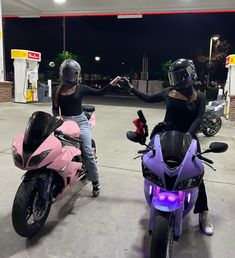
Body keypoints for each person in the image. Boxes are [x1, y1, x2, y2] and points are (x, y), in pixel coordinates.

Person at [120, 58, 214, 236]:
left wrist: (189, 134)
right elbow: (148, 99)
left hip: (188, 136)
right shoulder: (169, 92)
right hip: (165, 134)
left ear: (189, 75)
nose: (175, 81)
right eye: (173, 77)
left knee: (196, 174)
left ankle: (203, 213)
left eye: (179, 76)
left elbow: (198, 119)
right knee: (152, 162)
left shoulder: (200, 96)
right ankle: (157, 194)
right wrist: (130, 88)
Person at [52, 59, 120, 197]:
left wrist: (111, 84)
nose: (69, 75)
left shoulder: (80, 88)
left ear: (76, 74)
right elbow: (55, 109)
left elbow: (99, 93)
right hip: (64, 122)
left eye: (72, 73)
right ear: (62, 73)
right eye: (67, 72)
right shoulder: (56, 90)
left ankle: (95, 181)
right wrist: (57, 118)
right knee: (57, 150)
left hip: (81, 122)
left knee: (88, 153)